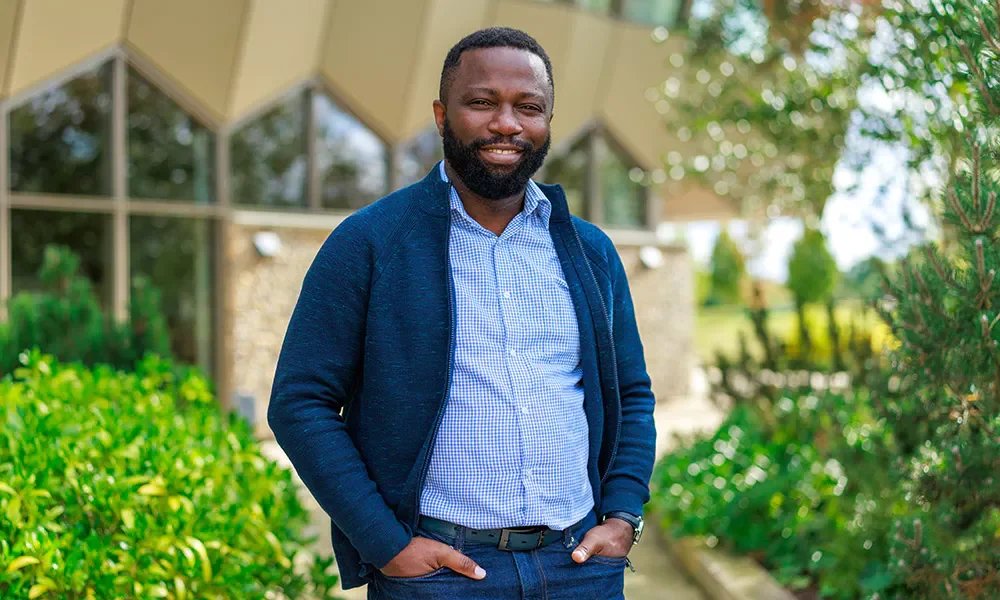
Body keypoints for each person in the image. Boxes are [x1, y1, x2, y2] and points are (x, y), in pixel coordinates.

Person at [268, 27, 656, 600]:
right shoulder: (371, 242)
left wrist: (623, 516)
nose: (507, 123)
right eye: (481, 102)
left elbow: (632, 393)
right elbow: (301, 403)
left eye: (529, 107)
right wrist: (385, 543)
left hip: (580, 567)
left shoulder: (588, 250)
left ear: (548, 120)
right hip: (441, 575)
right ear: (441, 114)